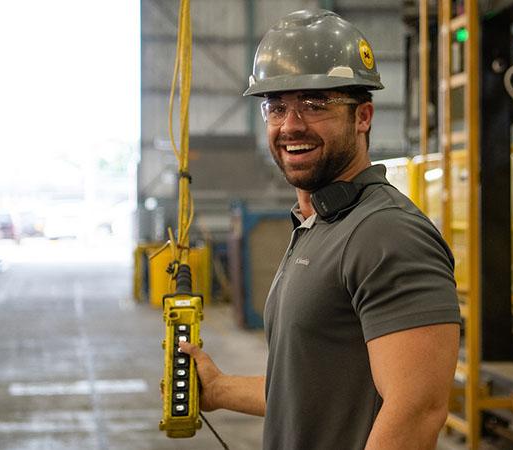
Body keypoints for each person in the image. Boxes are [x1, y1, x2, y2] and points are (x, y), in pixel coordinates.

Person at [179, 9, 461, 450]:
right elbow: (312, 392)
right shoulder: (321, 225)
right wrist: (218, 389)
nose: (291, 125)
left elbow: (417, 411)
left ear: (362, 116)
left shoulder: (387, 233)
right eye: (277, 108)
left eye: (314, 105)